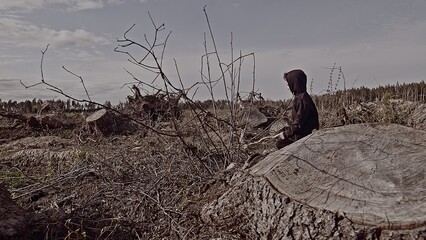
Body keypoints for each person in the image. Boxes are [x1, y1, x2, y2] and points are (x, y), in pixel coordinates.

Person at [276, 69, 319, 149]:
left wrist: (286, 134)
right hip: (301, 134)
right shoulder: (300, 97)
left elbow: (299, 122)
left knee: (280, 143)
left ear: (294, 82)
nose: (287, 86)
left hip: (305, 136)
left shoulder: (302, 99)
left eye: (288, 83)